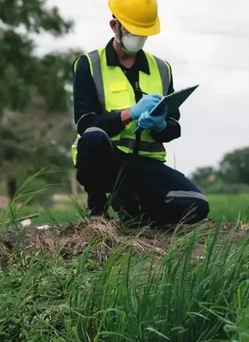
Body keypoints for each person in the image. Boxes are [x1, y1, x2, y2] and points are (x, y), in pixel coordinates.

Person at [70, 0, 209, 227]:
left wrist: (160, 125)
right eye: (132, 31)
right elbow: (85, 123)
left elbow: (174, 128)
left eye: (143, 33)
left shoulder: (161, 69)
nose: (138, 38)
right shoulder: (89, 65)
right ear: (114, 26)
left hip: (144, 165)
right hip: (107, 161)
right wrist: (129, 114)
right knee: (93, 138)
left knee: (197, 204)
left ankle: (136, 211)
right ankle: (97, 211)